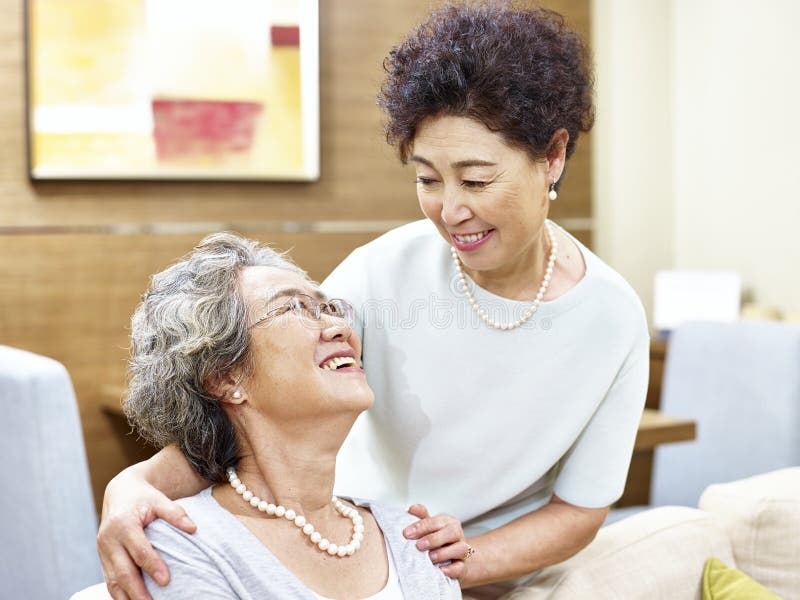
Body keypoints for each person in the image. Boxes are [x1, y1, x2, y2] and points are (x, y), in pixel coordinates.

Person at [98, 3, 649, 598]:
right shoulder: (383, 272)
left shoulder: (611, 319)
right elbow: (262, 393)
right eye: (428, 179)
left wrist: (451, 563)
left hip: (464, 575)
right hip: (347, 551)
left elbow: (580, 509)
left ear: (553, 157)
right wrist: (136, 483)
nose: (451, 211)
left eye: (477, 179)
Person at [114, 233, 462, 599]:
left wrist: (462, 558)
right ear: (225, 377)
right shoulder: (181, 542)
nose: (342, 327)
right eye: (295, 308)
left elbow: (462, 560)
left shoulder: (413, 535)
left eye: (329, 308)